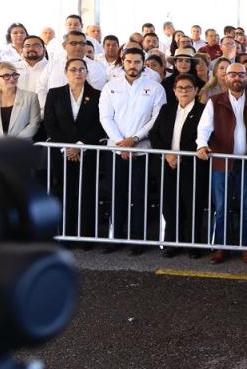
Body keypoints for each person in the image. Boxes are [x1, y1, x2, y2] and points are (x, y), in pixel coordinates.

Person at [195, 61, 247, 264]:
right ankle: (221, 247)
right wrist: (201, 145)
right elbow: (204, 127)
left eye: (241, 74)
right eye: (232, 74)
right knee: (221, 206)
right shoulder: (215, 101)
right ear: (225, 78)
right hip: (221, 162)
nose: (237, 78)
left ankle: (246, 247)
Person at [100, 49, 166, 245]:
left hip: (142, 150)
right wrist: (121, 143)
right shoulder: (110, 86)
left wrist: (135, 139)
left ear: (143, 63)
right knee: (116, 194)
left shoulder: (155, 88)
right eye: (129, 61)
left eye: (137, 62)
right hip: (116, 150)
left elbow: (156, 119)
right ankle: (115, 237)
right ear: (123, 62)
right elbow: (105, 117)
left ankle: (138, 240)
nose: (132, 65)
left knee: (139, 195)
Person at [41, 58, 106, 238]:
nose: (78, 73)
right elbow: (50, 123)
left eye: (82, 69)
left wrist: (79, 146)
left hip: (88, 151)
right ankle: (65, 234)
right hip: (62, 152)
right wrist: (68, 147)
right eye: (73, 69)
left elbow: (100, 124)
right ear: (66, 72)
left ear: (87, 72)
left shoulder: (98, 95)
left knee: (87, 192)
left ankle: (86, 236)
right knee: (64, 192)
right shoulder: (54, 94)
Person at [149, 73, 209, 256]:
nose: (184, 91)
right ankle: (173, 243)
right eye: (180, 88)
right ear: (174, 91)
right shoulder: (167, 109)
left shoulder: (203, 110)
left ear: (196, 90)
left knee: (192, 206)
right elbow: (154, 134)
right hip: (167, 165)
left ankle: (194, 245)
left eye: (188, 88)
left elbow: (204, 136)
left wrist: (181, 155)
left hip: (192, 166)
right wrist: (168, 154)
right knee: (169, 205)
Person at [0, 61, 42, 138]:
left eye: (14, 75)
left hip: (21, 143)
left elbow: (34, 124)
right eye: (6, 76)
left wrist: (14, 142)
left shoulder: (31, 97)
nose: (12, 79)